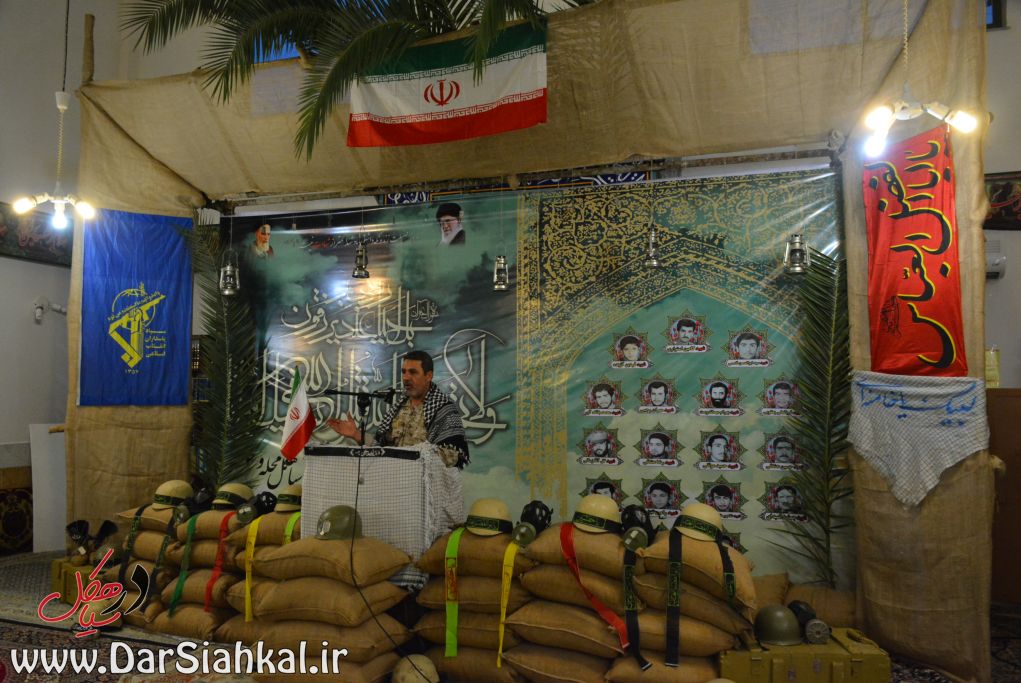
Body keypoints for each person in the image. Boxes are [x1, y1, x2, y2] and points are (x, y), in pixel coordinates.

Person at [327, 350, 469, 467]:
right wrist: (356, 434)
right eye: (404, 372)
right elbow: (382, 448)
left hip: (425, 486)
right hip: (395, 483)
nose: (406, 377)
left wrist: (415, 458)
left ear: (428, 376)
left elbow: (453, 456)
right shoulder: (398, 408)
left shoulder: (444, 410)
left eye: (413, 372)